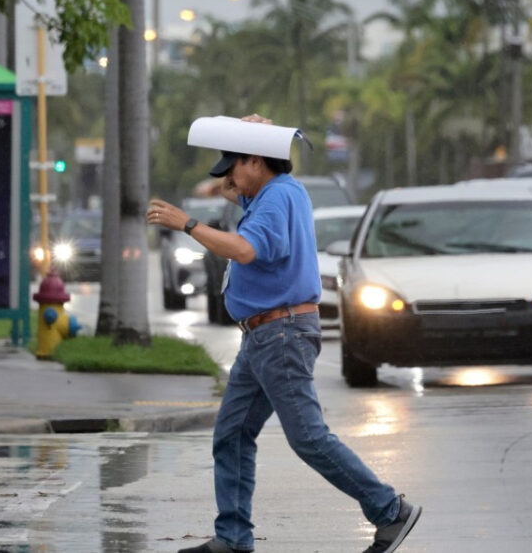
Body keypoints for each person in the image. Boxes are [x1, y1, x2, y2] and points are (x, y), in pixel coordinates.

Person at [146, 114, 421, 553]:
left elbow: (246, 249)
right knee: (232, 434)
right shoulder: (276, 193)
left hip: (281, 333)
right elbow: (236, 197)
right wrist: (251, 141)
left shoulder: (275, 199)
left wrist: (188, 224)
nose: (229, 178)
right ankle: (233, 539)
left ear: (256, 161)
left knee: (308, 437)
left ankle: (390, 510)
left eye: (234, 165)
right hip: (262, 337)